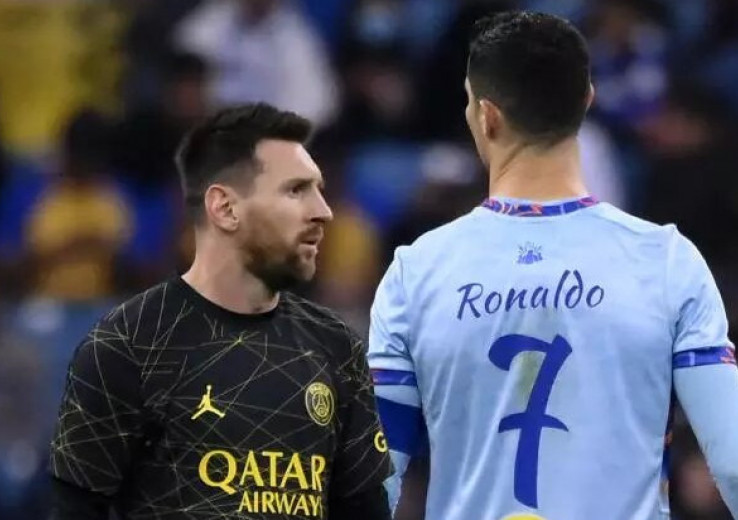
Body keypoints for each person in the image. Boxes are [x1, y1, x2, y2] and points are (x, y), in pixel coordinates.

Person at [368, 11, 738, 520]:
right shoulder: (668, 262)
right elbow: (733, 463)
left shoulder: (417, 273)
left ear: (485, 115)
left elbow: (375, 478)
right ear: (587, 100)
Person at [49, 103, 392, 520]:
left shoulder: (337, 347)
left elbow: (366, 510)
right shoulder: (126, 346)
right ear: (225, 208)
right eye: (295, 191)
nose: (323, 210)